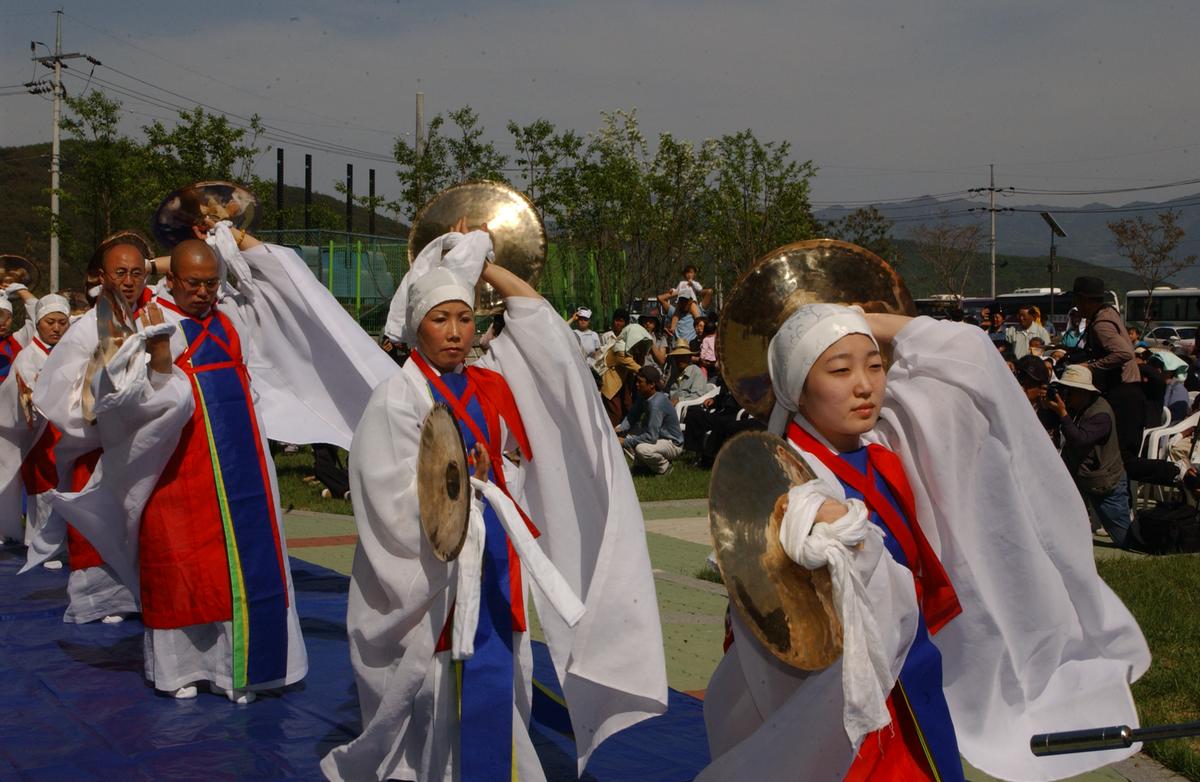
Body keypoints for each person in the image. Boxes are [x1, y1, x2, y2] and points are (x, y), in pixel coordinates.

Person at [699, 303, 1149, 782]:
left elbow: (971, 363)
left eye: (875, 365)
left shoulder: (888, 443)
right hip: (842, 700)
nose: (864, 384)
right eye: (839, 369)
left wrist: (867, 322)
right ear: (795, 387)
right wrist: (822, 527)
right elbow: (794, 539)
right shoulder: (792, 480)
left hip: (912, 670)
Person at [321, 222, 667, 781]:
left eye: (464, 317)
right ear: (416, 327)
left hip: (494, 556)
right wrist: (455, 489)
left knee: (496, 677)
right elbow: (386, 498)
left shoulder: (487, 381)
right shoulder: (395, 398)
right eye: (440, 319)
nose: (455, 331)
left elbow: (542, 336)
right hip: (436, 566)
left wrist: (479, 263)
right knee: (432, 688)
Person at [53, 221, 397, 703]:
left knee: (244, 565)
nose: (202, 292)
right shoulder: (148, 319)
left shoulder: (232, 315)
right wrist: (158, 361)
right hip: (177, 464)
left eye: (210, 283)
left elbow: (268, 284)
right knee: (181, 562)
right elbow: (122, 399)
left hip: (243, 462)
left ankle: (239, 672)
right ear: (171, 280)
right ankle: (180, 672)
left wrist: (234, 238)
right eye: (192, 283)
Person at [1046, 365, 1133, 548]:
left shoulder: (1100, 413)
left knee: (1124, 538)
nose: (1066, 395)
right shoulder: (1077, 406)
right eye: (1065, 390)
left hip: (1104, 482)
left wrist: (1062, 413)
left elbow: (1079, 439)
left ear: (1085, 392)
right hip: (1080, 475)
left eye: (1071, 391)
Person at [1072, 276, 1143, 463]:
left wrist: (1090, 366)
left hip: (1123, 392)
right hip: (1130, 389)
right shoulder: (1108, 312)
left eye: (1077, 300)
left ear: (1083, 299)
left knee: (1124, 458)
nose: (1076, 305)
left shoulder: (1101, 324)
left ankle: (1176, 474)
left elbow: (1124, 353)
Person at [616, 365, 684, 476]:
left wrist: (625, 442)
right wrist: (619, 429)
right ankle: (642, 466)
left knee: (642, 449)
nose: (637, 385)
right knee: (625, 434)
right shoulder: (643, 395)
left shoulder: (656, 404)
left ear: (651, 384)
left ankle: (665, 467)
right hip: (658, 437)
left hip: (672, 443)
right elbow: (632, 416)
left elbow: (651, 437)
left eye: (640, 382)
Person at [667, 264, 710, 336]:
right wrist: (672, 290)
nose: (689, 274)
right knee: (676, 314)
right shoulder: (681, 283)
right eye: (687, 273)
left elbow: (700, 289)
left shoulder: (695, 283)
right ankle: (672, 328)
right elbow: (677, 290)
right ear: (684, 275)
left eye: (691, 273)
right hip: (681, 301)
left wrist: (692, 283)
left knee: (697, 316)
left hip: (691, 301)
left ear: (694, 274)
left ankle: (701, 327)